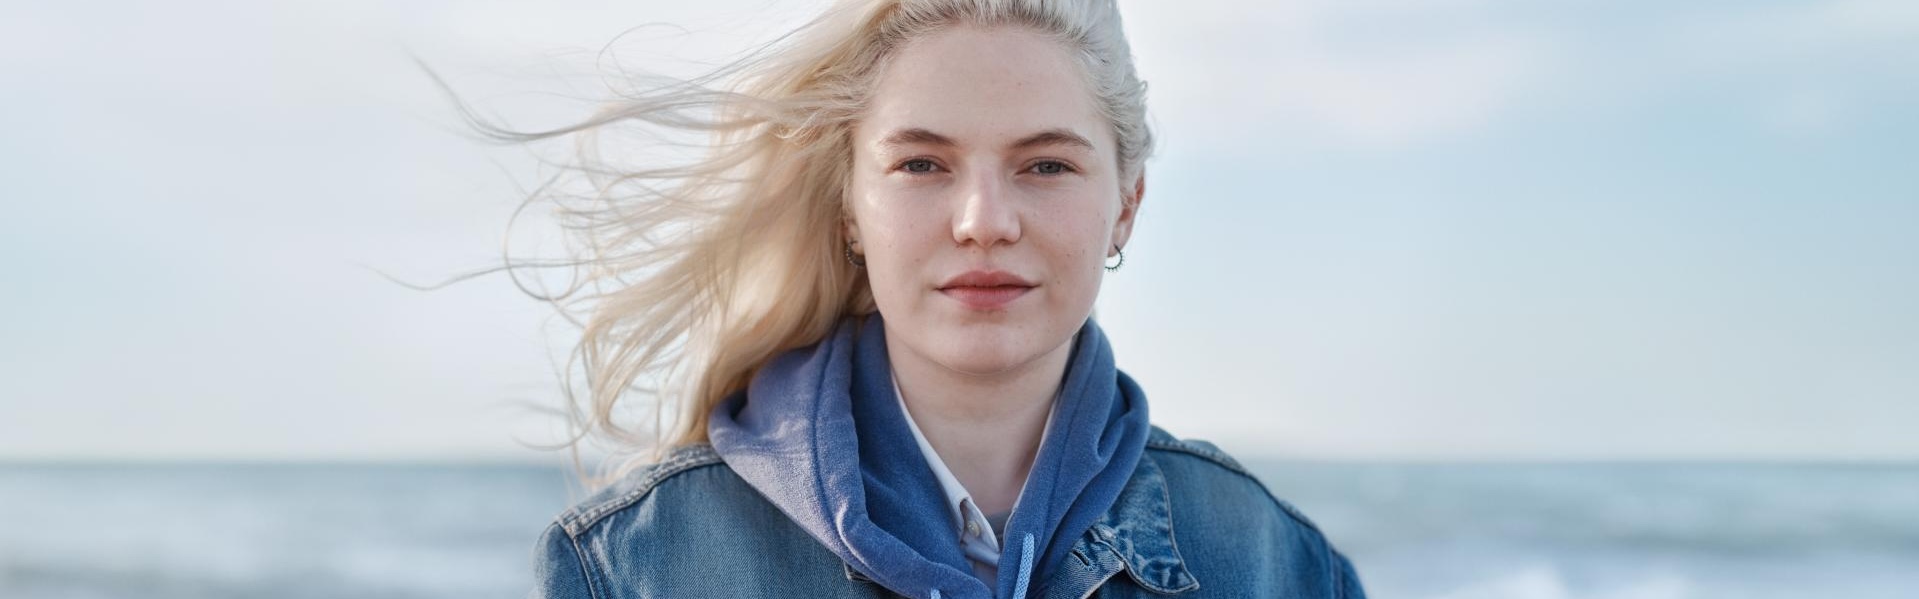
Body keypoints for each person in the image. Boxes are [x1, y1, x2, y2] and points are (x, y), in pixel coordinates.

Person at [511, 0, 1366, 597]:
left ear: (1126, 205)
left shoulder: (1274, 564)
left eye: (1046, 164)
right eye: (921, 163)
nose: (983, 221)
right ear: (849, 208)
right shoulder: (631, 567)